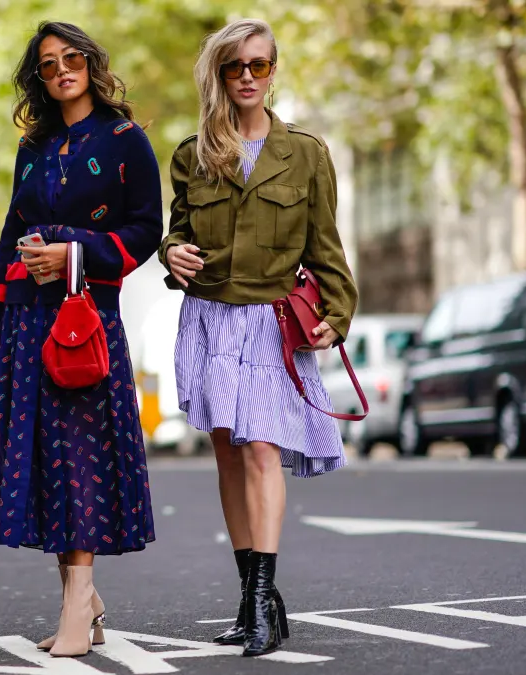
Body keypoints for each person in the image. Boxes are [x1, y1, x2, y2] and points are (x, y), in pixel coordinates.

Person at [161, 19, 358, 658]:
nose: (247, 77)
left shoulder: (306, 154)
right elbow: (177, 231)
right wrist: (173, 255)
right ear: (217, 75)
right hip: (212, 317)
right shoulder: (193, 154)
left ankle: (261, 603)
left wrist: (340, 310)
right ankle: (254, 598)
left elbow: (326, 247)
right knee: (226, 452)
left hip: (271, 322)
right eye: (234, 67)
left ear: (273, 71)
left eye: (259, 66)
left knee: (261, 451)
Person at [0, 21, 162, 659]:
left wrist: (74, 251)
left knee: (81, 457)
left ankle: (75, 606)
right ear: (40, 76)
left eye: (72, 58)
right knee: (47, 460)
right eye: (50, 63)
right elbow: (12, 230)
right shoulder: (33, 147)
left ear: (90, 63)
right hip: (27, 321)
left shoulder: (124, 139)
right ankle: (83, 599)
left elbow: (146, 231)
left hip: (83, 321)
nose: (62, 69)